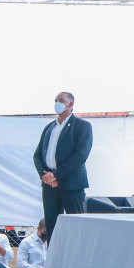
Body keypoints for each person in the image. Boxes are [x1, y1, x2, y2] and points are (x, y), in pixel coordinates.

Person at [33, 92, 92, 243]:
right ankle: (54, 256)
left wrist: (56, 175)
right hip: (49, 186)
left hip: (71, 184)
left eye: (61, 100)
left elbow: (80, 156)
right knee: (52, 227)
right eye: (55, 100)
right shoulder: (50, 127)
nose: (57, 103)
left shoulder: (82, 126)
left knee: (76, 226)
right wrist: (44, 175)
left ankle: (78, 255)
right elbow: (37, 155)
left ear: (70, 104)